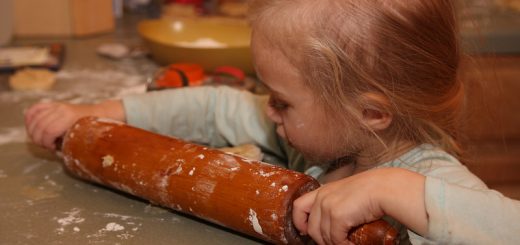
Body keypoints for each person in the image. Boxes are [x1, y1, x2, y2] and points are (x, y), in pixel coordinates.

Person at [25, 0, 520, 244]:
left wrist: (398, 191)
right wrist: (101, 113)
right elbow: (213, 106)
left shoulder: (435, 185)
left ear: (370, 113)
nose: (267, 112)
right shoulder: (312, 140)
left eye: (281, 102)